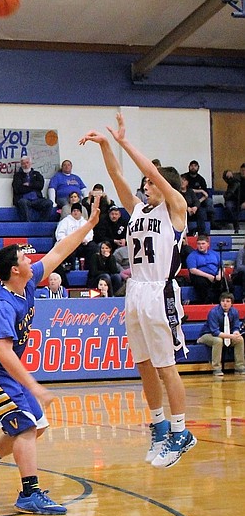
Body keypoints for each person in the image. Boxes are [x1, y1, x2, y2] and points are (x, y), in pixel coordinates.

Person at [0, 200, 100, 514]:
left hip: (2, 370)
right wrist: (35, 387)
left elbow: (59, 252)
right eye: (24, 257)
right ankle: (29, 493)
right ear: (14, 269)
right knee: (24, 426)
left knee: (35, 425)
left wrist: (88, 226)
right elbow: (3, 352)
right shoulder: (1, 305)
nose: (31, 258)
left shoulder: (28, 281)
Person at [81, 113, 196, 469]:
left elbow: (154, 171)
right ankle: (159, 424)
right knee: (143, 363)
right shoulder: (137, 210)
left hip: (160, 291)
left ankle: (181, 431)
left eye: (150, 181)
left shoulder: (175, 209)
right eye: (144, 182)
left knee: (166, 365)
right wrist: (104, 146)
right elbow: (117, 177)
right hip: (136, 291)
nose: (145, 184)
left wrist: (124, 142)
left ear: (164, 185)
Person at [197, 293, 244, 377]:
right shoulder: (213, 312)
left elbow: (236, 326)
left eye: (227, 301)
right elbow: (215, 332)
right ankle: (216, 368)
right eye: (223, 301)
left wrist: (236, 332)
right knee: (218, 340)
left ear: (231, 303)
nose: (225, 303)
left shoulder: (234, 312)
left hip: (226, 335)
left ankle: (240, 367)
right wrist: (231, 336)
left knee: (239, 339)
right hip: (207, 334)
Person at [54, 203, 93, 276]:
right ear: (71, 212)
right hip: (69, 245)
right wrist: (68, 241)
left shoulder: (85, 222)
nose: (76, 212)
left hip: (82, 244)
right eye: (74, 211)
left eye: (78, 211)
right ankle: (71, 269)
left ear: (81, 213)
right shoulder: (65, 221)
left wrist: (85, 239)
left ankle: (89, 267)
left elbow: (90, 234)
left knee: (93, 247)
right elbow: (59, 234)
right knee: (71, 250)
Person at [12, 156, 54, 222]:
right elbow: (18, 189)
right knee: (22, 202)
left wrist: (29, 185)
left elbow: (40, 186)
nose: (25, 165)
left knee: (49, 203)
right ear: (21, 165)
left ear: (31, 163)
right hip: (24, 199)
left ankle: (42, 223)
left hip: (37, 199)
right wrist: (34, 187)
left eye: (27, 163)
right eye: (23, 163)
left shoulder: (37, 174)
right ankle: (27, 224)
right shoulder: (17, 176)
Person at [186, 234, 224, 305]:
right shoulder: (192, 255)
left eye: (203, 244)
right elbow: (192, 270)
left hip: (215, 275)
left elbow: (221, 267)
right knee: (201, 282)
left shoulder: (215, 254)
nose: (201, 246)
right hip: (200, 276)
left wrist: (220, 275)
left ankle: (220, 303)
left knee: (227, 284)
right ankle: (207, 303)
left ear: (208, 244)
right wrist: (208, 276)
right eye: (199, 244)